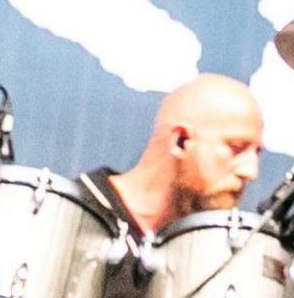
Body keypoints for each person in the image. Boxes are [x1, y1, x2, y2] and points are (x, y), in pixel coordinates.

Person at [102, 73, 265, 234]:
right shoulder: (81, 214)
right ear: (181, 140)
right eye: (237, 147)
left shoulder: (212, 248)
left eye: (257, 153)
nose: (251, 172)